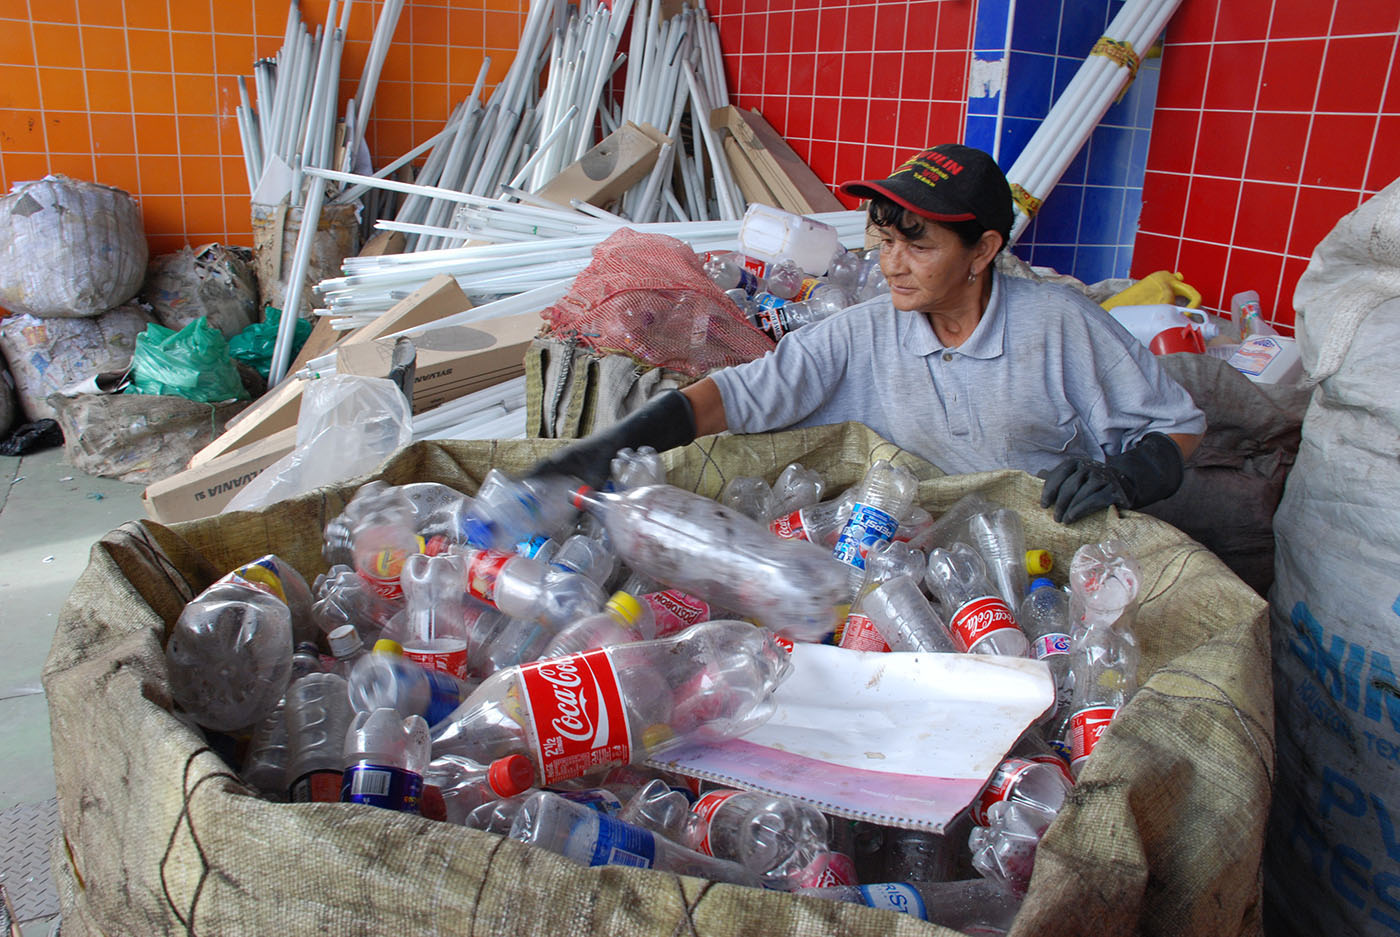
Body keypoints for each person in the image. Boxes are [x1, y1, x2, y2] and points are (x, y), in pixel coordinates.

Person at [530, 143, 1205, 525]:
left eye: (918, 246)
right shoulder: (863, 334)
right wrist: (608, 446)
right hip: (915, 544)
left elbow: (1178, 425)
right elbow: (736, 395)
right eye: (883, 241)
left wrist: (1123, 475)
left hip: (1044, 541)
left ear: (983, 249)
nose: (890, 264)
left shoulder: (1060, 326)